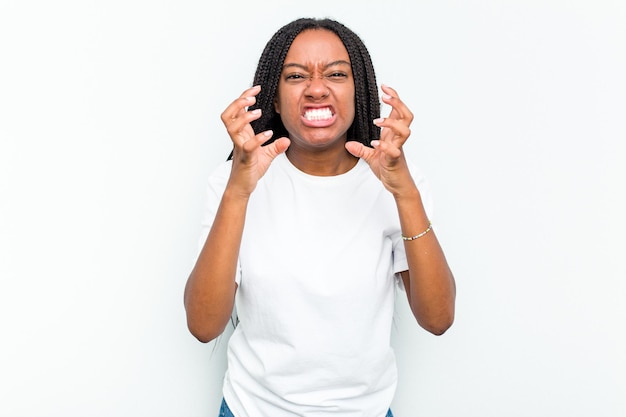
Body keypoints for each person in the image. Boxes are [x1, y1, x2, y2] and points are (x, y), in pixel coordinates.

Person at [184, 17, 456, 417]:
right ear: (274, 98)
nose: (315, 88)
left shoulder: (397, 184)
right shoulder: (232, 182)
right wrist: (238, 190)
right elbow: (203, 325)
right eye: (295, 76)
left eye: (336, 74)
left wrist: (404, 192)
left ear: (358, 90)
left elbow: (438, 318)